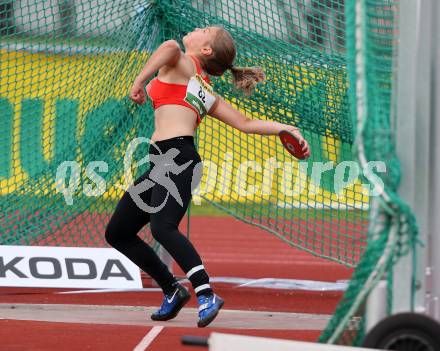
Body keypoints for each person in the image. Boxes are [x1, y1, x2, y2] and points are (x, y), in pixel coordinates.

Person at [105, 26, 310, 328]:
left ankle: (205, 293)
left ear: (206, 51)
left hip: (175, 159)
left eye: (204, 31)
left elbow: (170, 46)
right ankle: (172, 288)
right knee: (118, 232)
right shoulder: (199, 85)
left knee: (163, 227)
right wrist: (286, 128)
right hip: (163, 162)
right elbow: (246, 122)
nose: (198, 28)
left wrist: (139, 80)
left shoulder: (183, 63)